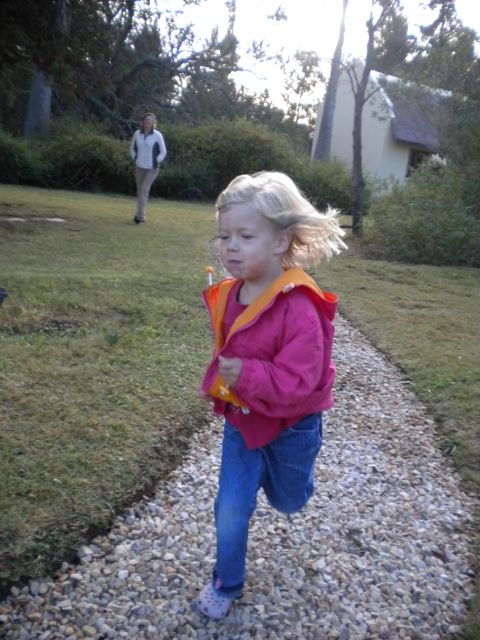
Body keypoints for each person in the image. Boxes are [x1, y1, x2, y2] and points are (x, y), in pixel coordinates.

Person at [195, 171, 347, 619]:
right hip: (244, 421)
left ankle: (279, 477)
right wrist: (226, 380)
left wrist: (248, 373)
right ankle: (226, 582)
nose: (230, 247)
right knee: (231, 506)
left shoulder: (299, 306)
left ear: (280, 242)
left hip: (292, 426)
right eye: (224, 236)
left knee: (288, 500)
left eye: (245, 236)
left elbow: (301, 381)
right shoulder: (232, 293)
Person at [129, 112, 167, 224]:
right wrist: (135, 158)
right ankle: (141, 214)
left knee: (144, 190)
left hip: (152, 168)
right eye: (146, 120)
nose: (148, 122)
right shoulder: (137, 134)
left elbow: (163, 151)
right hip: (139, 167)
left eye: (150, 120)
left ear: (153, 122)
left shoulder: (157, 135)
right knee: (140, 191)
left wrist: (157, 160)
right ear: (142, 122)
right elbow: (132, 149)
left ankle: (138, 216)